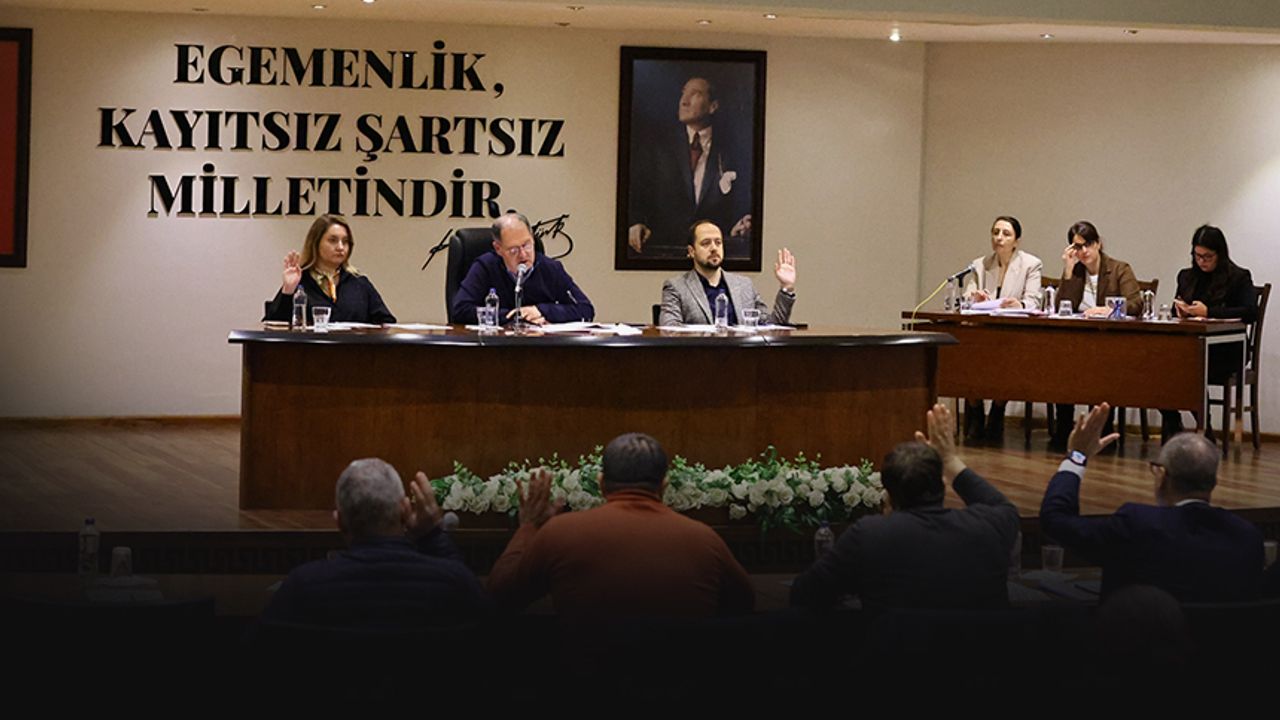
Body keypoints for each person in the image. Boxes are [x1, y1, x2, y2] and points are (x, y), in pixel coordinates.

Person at [485, 432, 754, 621]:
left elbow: (499, 598)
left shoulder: (561, 533)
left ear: (601, 483)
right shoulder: (704, 540)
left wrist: (529, 526)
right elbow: (744, 604)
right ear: (664, 485)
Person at [789, 403, 1020, 613]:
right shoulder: (988, 527)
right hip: (980, 647)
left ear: (888, 495)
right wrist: (950, 461)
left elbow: (803, 593)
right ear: (942, 485)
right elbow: (1003, 506)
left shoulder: (869, 535)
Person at [1040, 403, 1264, 601]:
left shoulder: (1136, 526)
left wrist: (1077, 456)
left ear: (1161, 475)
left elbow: (1056, 520)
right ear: (1214, 482)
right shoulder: (1246, 537)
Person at [260, 458, 491, 628]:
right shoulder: (453, 584)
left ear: (339, 521)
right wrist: (432, 536)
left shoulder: (302, 588)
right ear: (405, 511)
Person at [627, 74, 752, 260]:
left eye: (695, 94)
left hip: (715, 255)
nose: (684, 101)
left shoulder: (733, 148)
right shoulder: (658, 145)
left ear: (713, 106)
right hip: (662, 251)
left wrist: (741, 223)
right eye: (683, 93)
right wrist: (635, 222)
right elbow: (639, 191)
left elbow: (741, 200)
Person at [1160, 224, 1257, 440]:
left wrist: (1209, 312)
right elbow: (1177, 309)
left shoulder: (1238, 277)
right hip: (1191, 346)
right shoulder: (1186, 276)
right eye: (1197, 256)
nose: (1202, 261)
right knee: (1158, 365)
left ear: (1219, 255)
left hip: (1227, 349)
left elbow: (1250, 312)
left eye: (1208, 257)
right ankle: (1172, 420)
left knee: (1189, 367)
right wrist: (1181, 310)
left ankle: (1204, 426)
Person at [1051, 220, 1142, 448]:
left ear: (1098, 243)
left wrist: (1109, 310)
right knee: (1060, 364)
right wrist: (1068, 271)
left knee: (1100, 367)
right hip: (1078, 340)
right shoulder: (1075, 272)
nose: (1083, 251)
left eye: (1087, 245)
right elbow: (1061, 307)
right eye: (1077, 247)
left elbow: (1136, 304)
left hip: (1109, 341)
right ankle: (1063, 429)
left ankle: (1101, 429)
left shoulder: (1119, 269)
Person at [961, 216, 1043, 443]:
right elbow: (966, 298)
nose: (999, 238)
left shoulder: (1031, 264)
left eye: (1006, 234)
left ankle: (997, 411)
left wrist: (1020, 304)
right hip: (982, 331)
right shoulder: (980, 265)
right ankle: (976, 411)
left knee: (1006, 357)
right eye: (995, 232)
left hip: (1012, 332)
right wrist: (974, 297)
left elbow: (1034, 301)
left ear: (1016, 241)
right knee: (967, 354)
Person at [450, 211, 595, 326]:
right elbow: (460, 311)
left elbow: (585, 309)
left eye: (526, 245)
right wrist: (516, 316)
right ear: (498, 248)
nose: (523, 254)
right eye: (514, 250)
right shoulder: (485, 267)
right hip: (494, 347)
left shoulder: (550, 268)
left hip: (540, 347)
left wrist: (541, 310)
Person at [263, 214, 396, 324]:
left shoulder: (360, 283)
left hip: (353, 348)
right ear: (316, 243)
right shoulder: (300, 281)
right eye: (333, 240)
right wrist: (288, 290)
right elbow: (271, 326)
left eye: (345, 242)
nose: (340, 247)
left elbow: (386, 323)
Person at [659, 220, 795, 326]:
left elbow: (772, 326)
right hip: (699, 353)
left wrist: (786, 287)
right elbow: (670, 330)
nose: (714, 248)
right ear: (691, 251)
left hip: (741, 353)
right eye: (706, 243)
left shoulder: (744, 285)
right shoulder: (676, 287)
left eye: (718, 242)